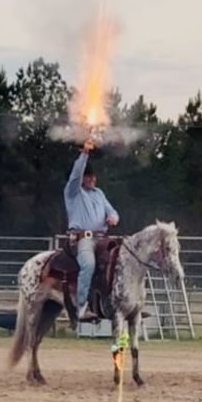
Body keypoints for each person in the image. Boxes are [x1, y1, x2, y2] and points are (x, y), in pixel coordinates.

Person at [64, 137, 119, 321]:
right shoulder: (73, 191)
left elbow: (113, 212)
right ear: (82, 179)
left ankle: (118, 304)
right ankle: (81, 307)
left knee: (119, 261)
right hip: (83, 239)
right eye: (88, 176)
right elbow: (75, 174)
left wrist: (113, 218)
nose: (92, 178)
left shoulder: (99, 193)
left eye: (93, 175)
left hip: (102, 238)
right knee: (88, 265)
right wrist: (85, 153)